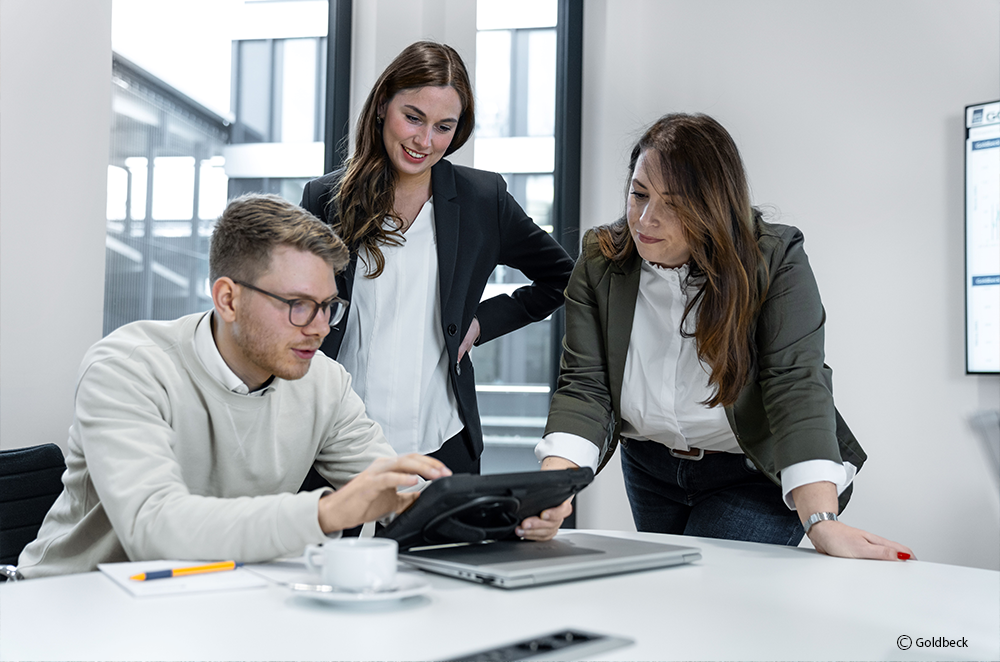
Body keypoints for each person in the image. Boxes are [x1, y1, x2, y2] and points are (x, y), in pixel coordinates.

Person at [528, 114, 913, 560]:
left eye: (672, 204)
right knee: (675, 601)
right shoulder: (601, 260)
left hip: (751, 473)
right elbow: (585, 387)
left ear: (711, 206)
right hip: (650, 467)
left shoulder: (773, 258)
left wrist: (821, 523)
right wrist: (553, 488)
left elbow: (795, 384)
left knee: (704, 596)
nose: (646, 219)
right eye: (639, 194)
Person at [15, 194, 450, 579]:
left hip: (209, 603)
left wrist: (498, 513)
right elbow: (154, 527)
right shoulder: (127, 368)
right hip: (70, 606)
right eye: (298, 306)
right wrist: (326, 512)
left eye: (327, 307)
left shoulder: (324, 381)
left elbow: (398, 493)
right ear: (228, 299)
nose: (320, 329)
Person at [301, 41, 574, 476]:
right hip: (337, 443)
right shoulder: (325, 199)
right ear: (381, 106)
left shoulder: (484, 200)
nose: (425, 141)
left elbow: (564, 278)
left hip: (442, 445)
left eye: (444, 127)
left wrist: (481, 323)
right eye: (413, 118)